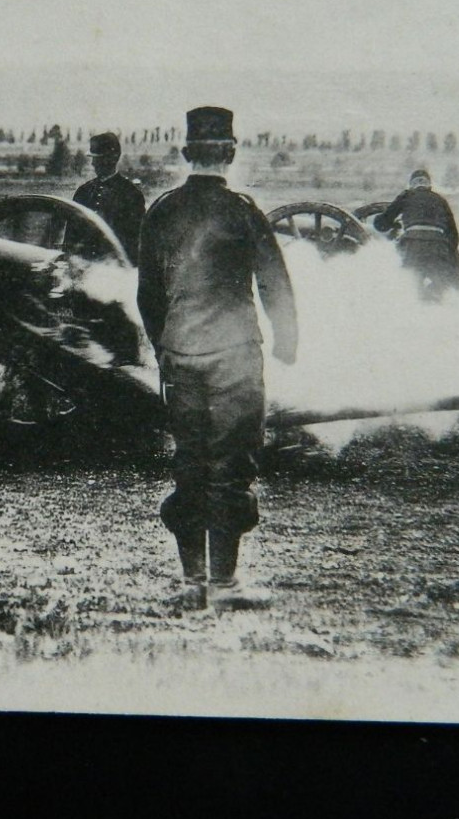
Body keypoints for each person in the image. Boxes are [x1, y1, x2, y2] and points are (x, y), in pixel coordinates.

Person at [137, 106, 298, 609]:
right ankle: (226, 586)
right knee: (232, 465)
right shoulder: (244, 211)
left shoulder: (161, 211)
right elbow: (275, 283)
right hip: (235, 356)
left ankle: (192, 583)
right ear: (230, 153)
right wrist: (286, 341)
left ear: (187, 154)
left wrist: (165, 343)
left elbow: (147, 294)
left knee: (190, 463)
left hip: (181, 355)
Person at [371, 169, 459, 301]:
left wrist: (390, 224)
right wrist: (446, 251)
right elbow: (454, 236)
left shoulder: (406, 196)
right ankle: (435, 305)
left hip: (413, 246)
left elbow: (381, 224)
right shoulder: (440, 200)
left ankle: (414, 309)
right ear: (430, 186)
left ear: (411, 185)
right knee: (440, 287)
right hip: (438, 248)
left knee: (410, 285)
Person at [63, 132, 146, 263]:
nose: (93, 164)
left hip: (114, 272)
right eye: (93, 158)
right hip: (82, 267)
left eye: (99, 158)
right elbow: (70, 239)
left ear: (114, 158)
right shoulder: (84, 192)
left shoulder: (131, 194)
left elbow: (135, 242)